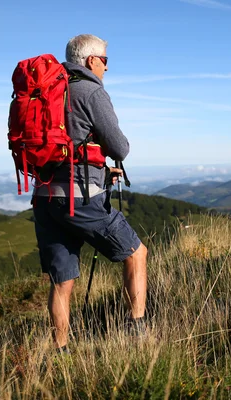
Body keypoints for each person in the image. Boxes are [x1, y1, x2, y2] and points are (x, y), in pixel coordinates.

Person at [33, 34, 148, 352]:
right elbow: (119, 147)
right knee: (137, 254)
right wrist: (107, 163)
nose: (107, 69)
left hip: (45, 196)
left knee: (62, 280)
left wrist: (98, 168)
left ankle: (60, 353)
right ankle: (136, 332)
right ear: (91, 60)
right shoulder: (91, 91)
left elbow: (66, 147)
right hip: (80, 198)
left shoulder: (47, 92)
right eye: (106, 61)